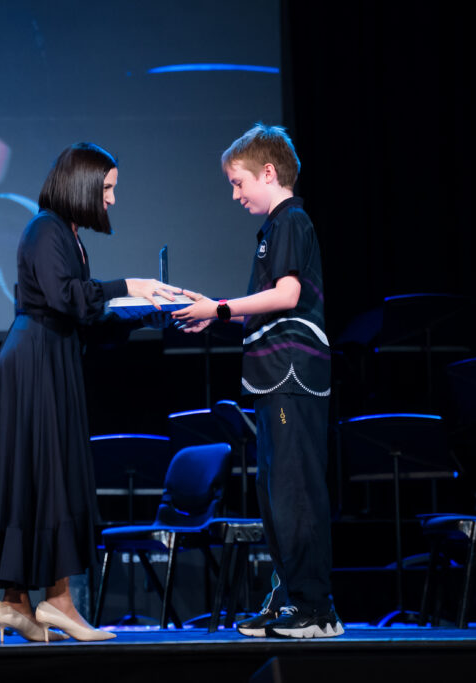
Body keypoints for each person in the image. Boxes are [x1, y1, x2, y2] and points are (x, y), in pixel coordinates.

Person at [0, 142, 178, 643]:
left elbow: (86, 318)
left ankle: (14, 601)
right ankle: (58, 602)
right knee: (48, 473)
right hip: (34, 362)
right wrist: (131, 285)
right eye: (107, 189)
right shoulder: (46, 229)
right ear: (82, 186)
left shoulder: (67, 235)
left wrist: (153, 312)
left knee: (34, 477)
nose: (111, 200)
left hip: (48, 357)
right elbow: (66, 298)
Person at [172, 123, 342, 638]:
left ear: (269, 173)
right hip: (274, 379)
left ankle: (315, 609)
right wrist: (215, 313)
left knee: (294, 491)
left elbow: (288, 296)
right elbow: (268, 308)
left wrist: (219, 308)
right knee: (274, 493)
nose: (235, 194)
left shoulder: (291, 221)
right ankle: (291, 597)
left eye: (238, 182)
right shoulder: (276, 227)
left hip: (292, 377)